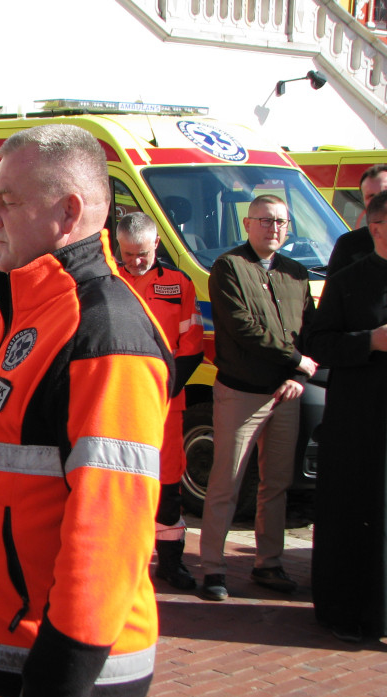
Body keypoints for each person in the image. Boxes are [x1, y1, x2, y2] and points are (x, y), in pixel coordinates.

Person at [0, 125, 171, 697]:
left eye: (8, 199)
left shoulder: (104, 331)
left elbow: (108, 535)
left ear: (68, 213)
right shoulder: (21, 306)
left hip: (57, 689)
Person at [198, 194, 317, 601]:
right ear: (247, 224)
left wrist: (296, 375)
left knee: (276, 485)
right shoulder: (229, 267)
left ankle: (269, 563)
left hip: (286, 393)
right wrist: (298, 361)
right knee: (225, 484)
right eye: (265, 221)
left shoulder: (297, 274)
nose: (274, 229)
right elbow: (243, 329)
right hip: (241, 393)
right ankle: (212, 569)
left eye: (281, 222)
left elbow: (309, 332)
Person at [305, 189, 387, 642]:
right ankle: (354, 611)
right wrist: (369, 342)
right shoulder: (349, 280)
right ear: (375, 227)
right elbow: (319, 343)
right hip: (360, 418)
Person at [116, 213, 204, 590]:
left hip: (165, 403)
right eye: (128, 253)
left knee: (167, 487)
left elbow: (192, 346)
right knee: (116, 482)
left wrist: (162, 390)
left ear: (156, 245)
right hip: (115, 401)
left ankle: (170, 562)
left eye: (143, 252)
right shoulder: (107, 279)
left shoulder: (178, 285)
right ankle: (119, 563)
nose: (136, 260)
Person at [326, 164, 387, 278]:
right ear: (363, 201)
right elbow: (335, 292)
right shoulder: (349, 245)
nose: (378, 200)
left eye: (384, 193)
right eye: (371, 196)